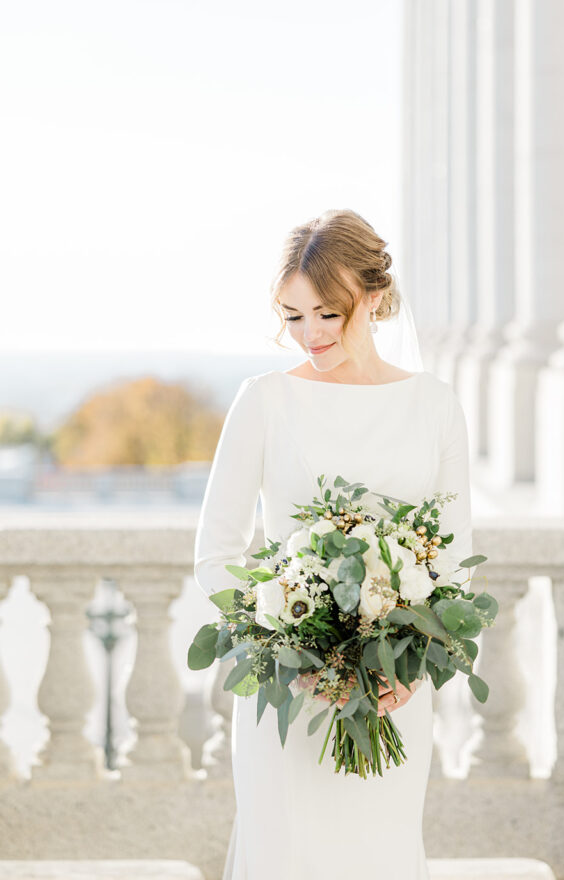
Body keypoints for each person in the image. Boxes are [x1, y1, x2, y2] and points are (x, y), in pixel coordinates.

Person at [194, 208, 473, 880]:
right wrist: (295, 652)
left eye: (328, 312)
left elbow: (456, 561)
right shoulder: (262, 400)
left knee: (380, 857)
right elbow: (215, 553)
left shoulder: (433, 404)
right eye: (293, 316)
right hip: (287, 699)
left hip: (394, 692)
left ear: (373, 298)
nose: (309, 334)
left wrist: (405, 666)